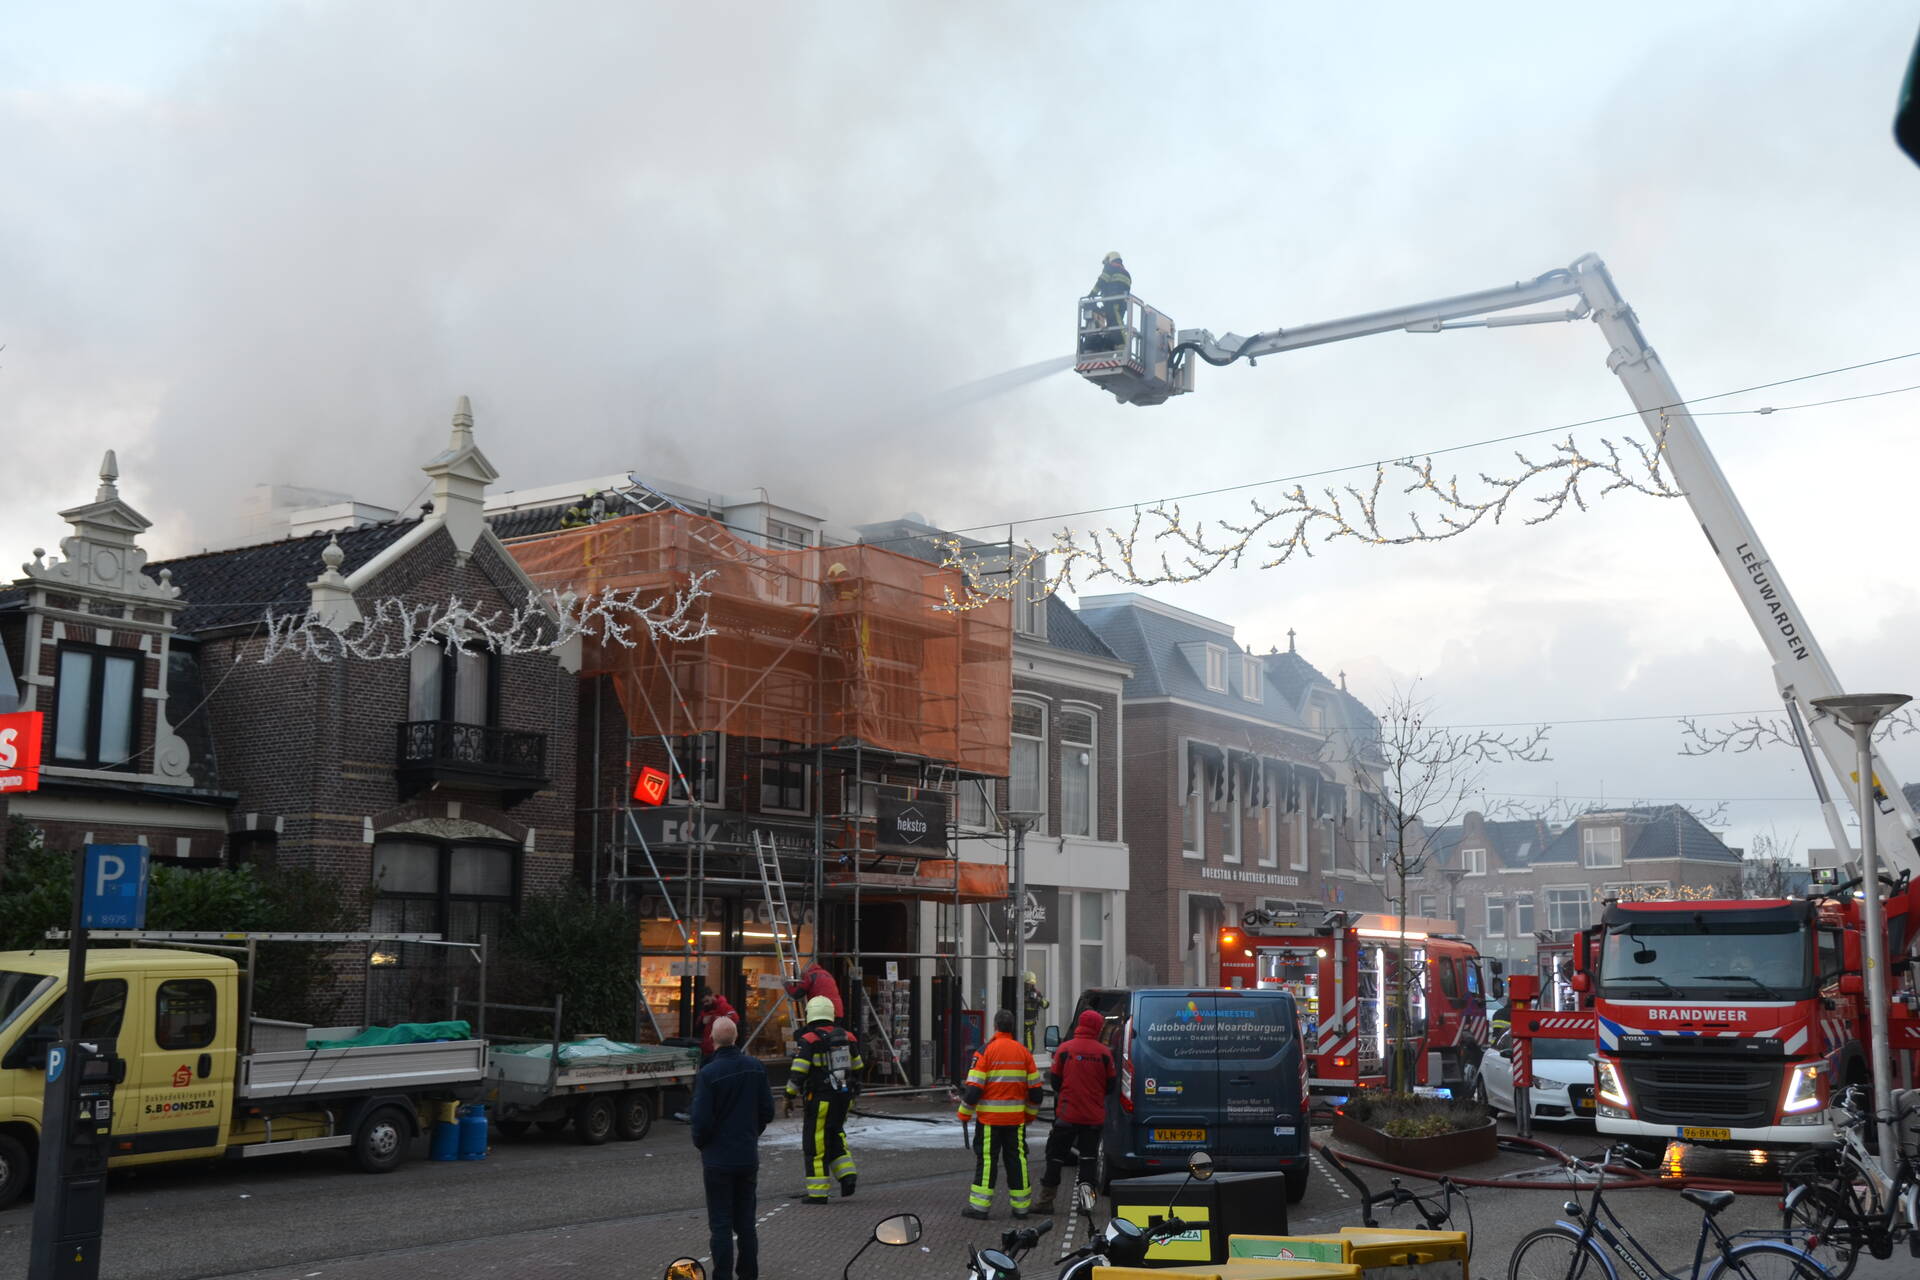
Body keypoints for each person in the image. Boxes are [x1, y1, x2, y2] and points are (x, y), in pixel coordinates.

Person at [690, 1017, 774, 1280]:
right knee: (746, 1224)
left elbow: (701, 1122)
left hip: (718, 1159)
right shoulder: (756, 1068)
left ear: (713, 1040)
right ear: (736, 1038)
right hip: (746, 1156)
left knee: (721, 1225)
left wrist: (704, 1144)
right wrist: (750, 1134)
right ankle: (748, 1274)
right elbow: (767, 1112)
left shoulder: (708, 1074)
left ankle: (722, 1275)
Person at [957, 1008, 1044, 1220]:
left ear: (995, 1026)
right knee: (1018, 1160)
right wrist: (1029, 1116)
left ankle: (980, 1208)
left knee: (988, 1161)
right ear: (1012, 1027)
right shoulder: (1024, 1052)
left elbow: (974, 1091)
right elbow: (1036, 1093)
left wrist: (964, 1114)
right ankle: (1021, 1207)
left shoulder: (985, 1051)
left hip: (989, 1121)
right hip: (1015, 1121)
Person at [1034, 1008, 1115, 1213]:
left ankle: (1046, 1202)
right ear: (1097, 1027)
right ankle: (1085, 1205)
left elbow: (1055, 1082)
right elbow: (1111, 1086)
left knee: (1055, 1157)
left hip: (1067, 1115)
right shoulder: (1104, 1053)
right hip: (1093, 1117)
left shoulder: (1064, 1049)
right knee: (1088, 1161)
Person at [785, 995, 863, 1204]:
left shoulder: (809, 1039)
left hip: (820, 1099)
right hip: (844, 1097)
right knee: (835, 1134)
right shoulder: (848, 1037)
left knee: (815, 1143)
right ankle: (847, 1176)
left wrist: (788, 1095)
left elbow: (799, 1070)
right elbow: (858, 1067)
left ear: (811, 1014)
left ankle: (817, 1193)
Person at [1083, 251, 1131, 349]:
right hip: (1123, 303)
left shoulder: (1110, 267)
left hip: (1112, 302)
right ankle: (1114, 345)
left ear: (1110, 259)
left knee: (1116, 324)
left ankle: (1123, 346)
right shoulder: (1126, 273)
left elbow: (1102, 281)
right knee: (1116, 324)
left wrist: (1092, 294)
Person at [698, 988, 739, 1063]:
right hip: (707, 1048)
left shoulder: (723, 1006)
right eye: (703, 1002)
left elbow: (735, 1018)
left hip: (718, 1050)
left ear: (712, 996)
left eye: (707, 1001)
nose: (706, 1004)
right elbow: (698, 1027)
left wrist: (715, 1018)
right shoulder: (706, 1008)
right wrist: (702, 1021)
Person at [1022, 971, 1050, 1052]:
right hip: (1018, 1026)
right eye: (1027, 983)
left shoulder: (1036, 993)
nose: (1029, 985)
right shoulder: (1018, 993)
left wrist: (1038, 999)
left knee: (1029, 1049)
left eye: (1031, 983)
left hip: (1029, 1027)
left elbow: (1046, 1005)